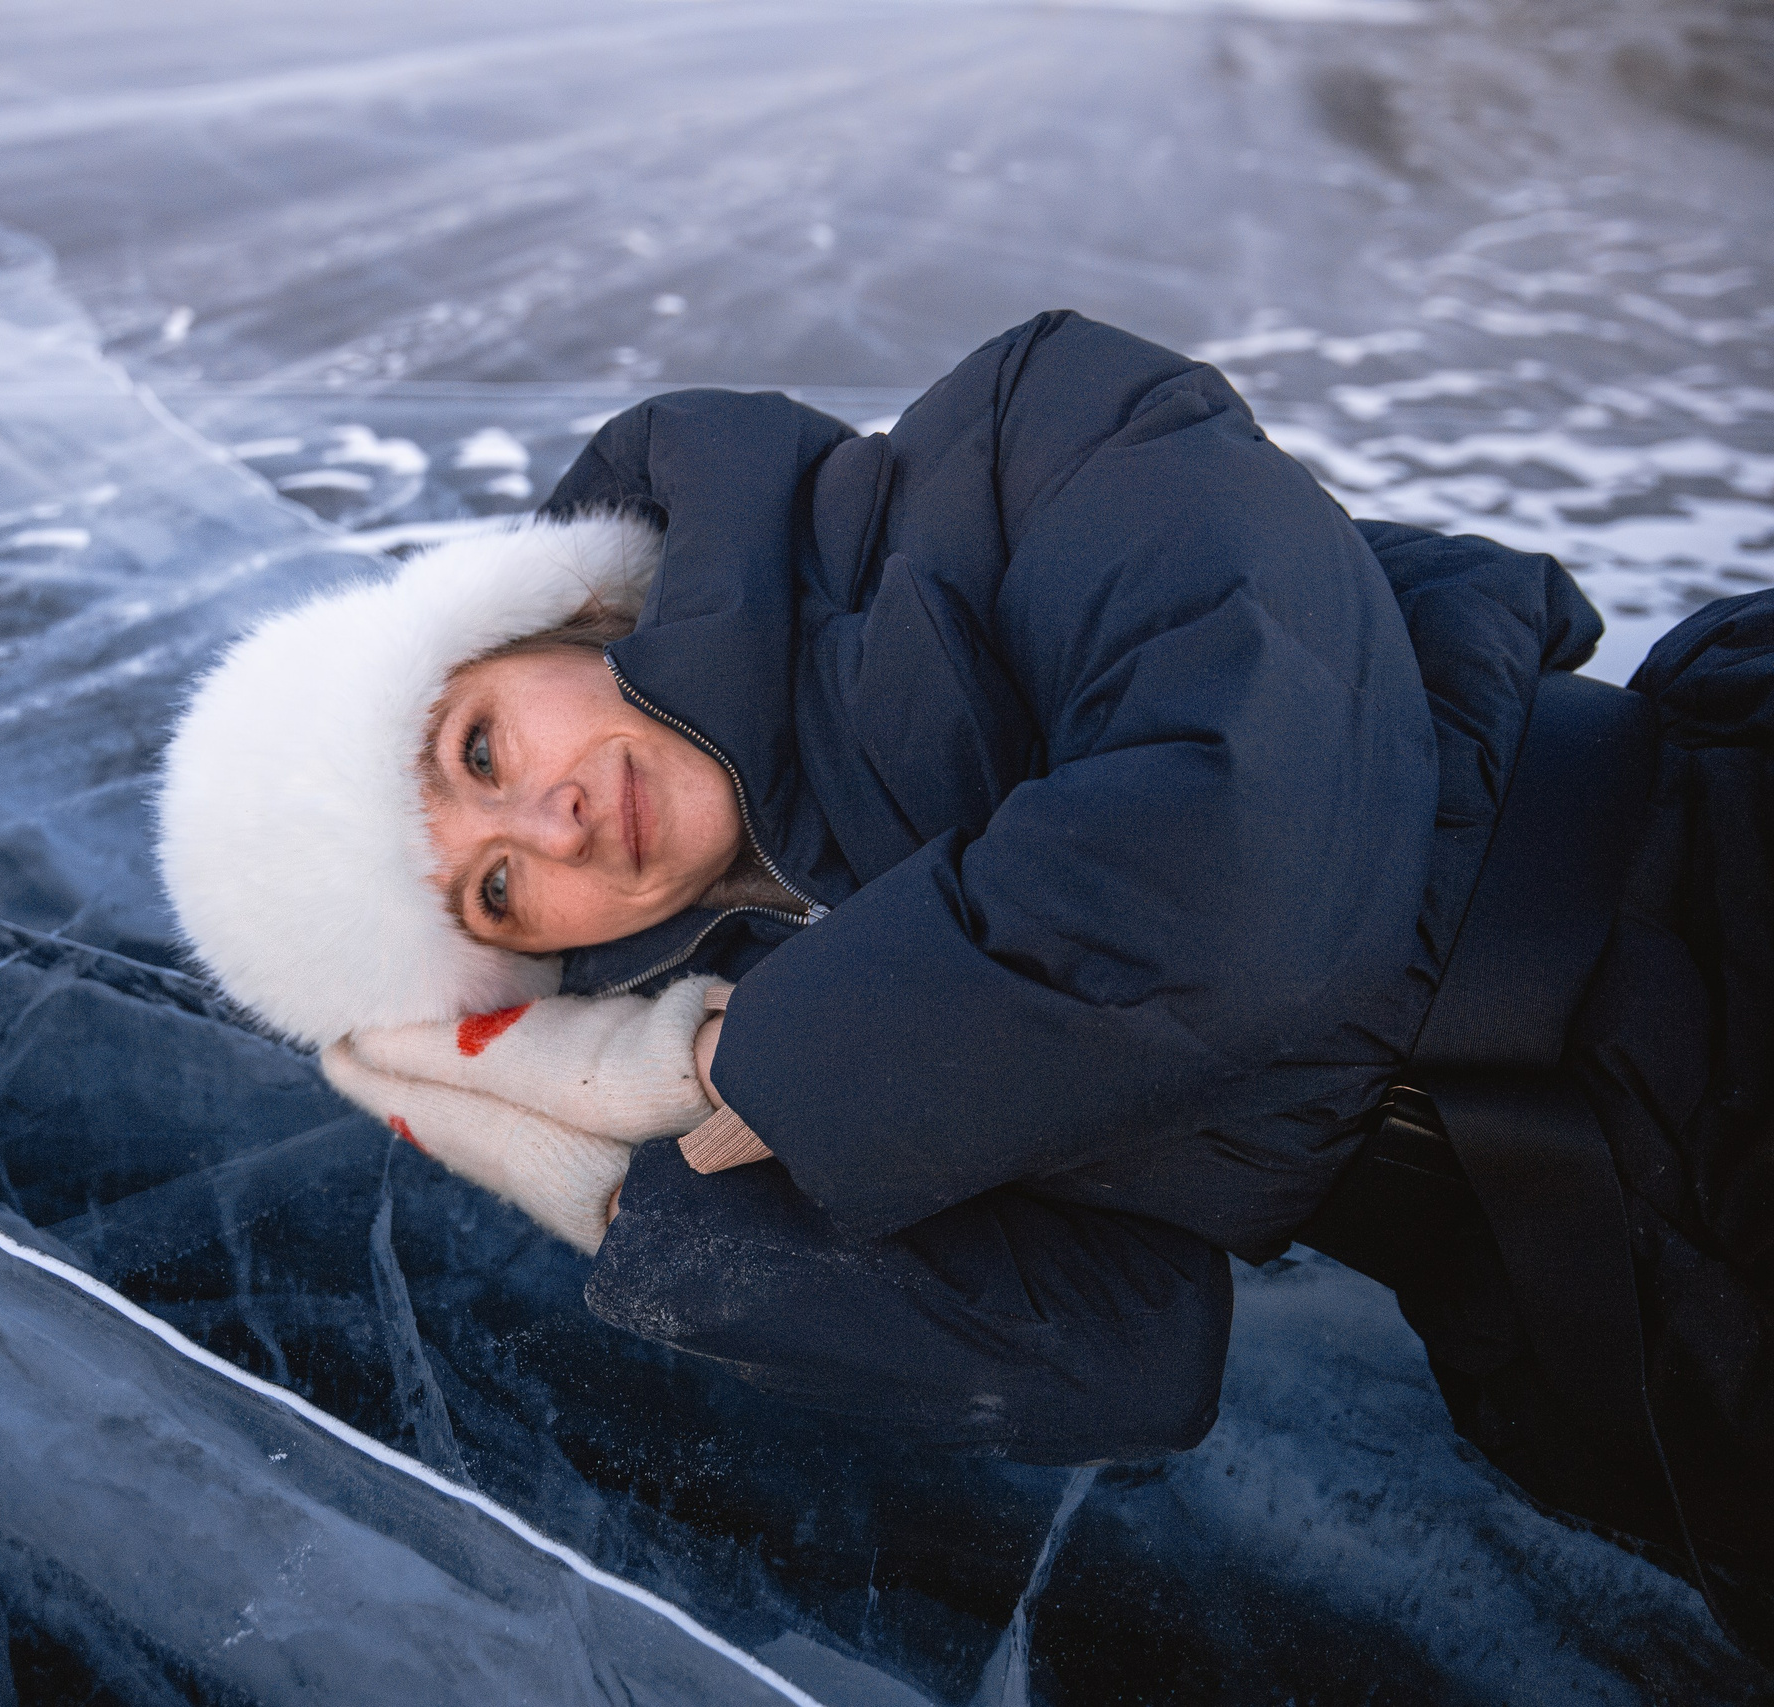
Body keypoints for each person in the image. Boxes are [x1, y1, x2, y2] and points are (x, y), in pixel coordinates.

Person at [155, 311, 1770, 1647]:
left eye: (482, 747)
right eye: (493, 888)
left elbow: (1249, 865)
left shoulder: (1020, 447)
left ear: (535, 615)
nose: (553, 818)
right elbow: (1118, 1357)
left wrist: (768, 1070)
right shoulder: (751, 1000)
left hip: (1712, 902)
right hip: (1630, 1321)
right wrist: (615, 1181)